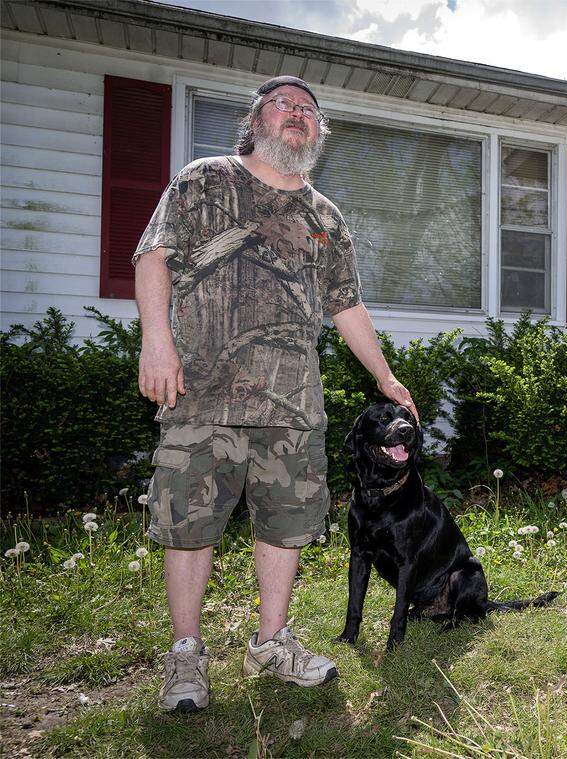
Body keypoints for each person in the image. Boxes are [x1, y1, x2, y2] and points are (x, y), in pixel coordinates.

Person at [132, 76, 417, 713]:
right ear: (256, 120)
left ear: (318, 135)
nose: (298, 115)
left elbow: (346, 305)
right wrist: (157, 341)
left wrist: (384, 377)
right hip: (202, 395)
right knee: (189, 528)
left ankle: (271, 641)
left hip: (293, 407)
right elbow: (153, 256)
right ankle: (185, 655)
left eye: (310, 111)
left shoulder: (325, 218)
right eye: (284, 105)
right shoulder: (206, 180)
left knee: (287, 528)